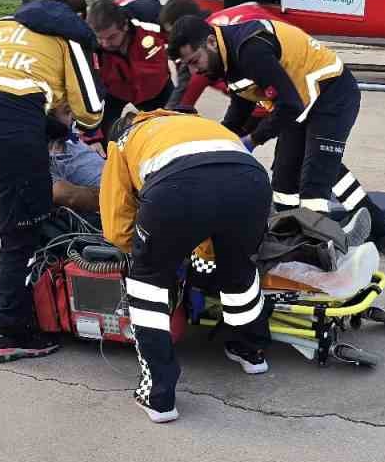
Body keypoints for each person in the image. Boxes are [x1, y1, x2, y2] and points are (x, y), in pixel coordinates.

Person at [0, 0, 105, 360]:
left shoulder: (0, 25)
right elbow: (91, 112)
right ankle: (11, 331)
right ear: (76, 17)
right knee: (22, 232)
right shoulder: (68, 37)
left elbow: (1, 86)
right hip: (10, 134)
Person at [167, 14, 385, 256]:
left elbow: (289, 106)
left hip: (332, 94)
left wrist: (253, 140)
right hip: (299, 101)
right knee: (285, 180)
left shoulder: (250, 50)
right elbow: (241, 105)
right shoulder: (226, 56)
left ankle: (320, 253)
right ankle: (296, 239)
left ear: (210, 42)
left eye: (195, 61)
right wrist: (222, 141)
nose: (195, 71)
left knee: (314, 184)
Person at [100, 109, 275, 422]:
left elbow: (116, 224)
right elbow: (214, 199)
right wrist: (202, 258)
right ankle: (251, 351)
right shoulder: (198, 124)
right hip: (252, 183)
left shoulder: (123, 140)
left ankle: (158, 396)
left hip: (177, 188)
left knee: (147, 285)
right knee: (238, 268)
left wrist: (146, 255)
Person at [86, 0, 173, 133]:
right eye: (100, 38)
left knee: (171, 128)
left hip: (159, 89)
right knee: (107, 132)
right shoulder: (89, 45)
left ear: (125, 25)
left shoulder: (150, 21)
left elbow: (182, 40)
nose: (105, 44)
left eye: (111, 37)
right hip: (116, 93)